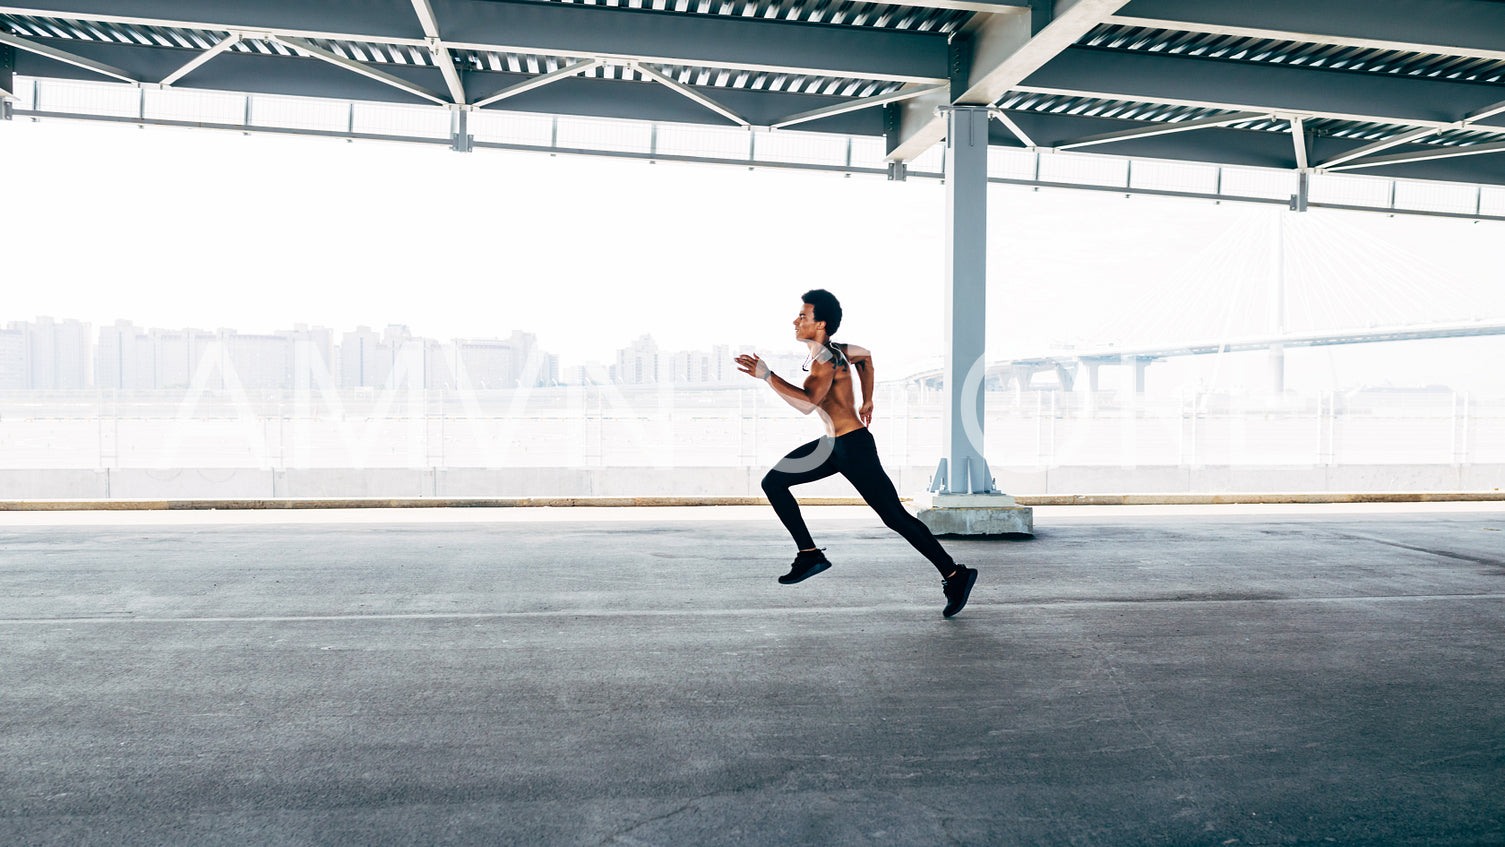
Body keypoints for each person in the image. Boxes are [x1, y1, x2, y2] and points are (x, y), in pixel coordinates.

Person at [735, 289, 978, 618]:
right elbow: (864, 356)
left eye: (803, 316)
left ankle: (955, 574)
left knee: (895, 517)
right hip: (833, 445)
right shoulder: (837, 350)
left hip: (852, 447)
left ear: (820, 324)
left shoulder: (824, 360)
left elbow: (807, 403)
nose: (796, 320)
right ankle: (809, 554)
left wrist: (767, 375)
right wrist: (868, 398)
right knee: (774, 482)